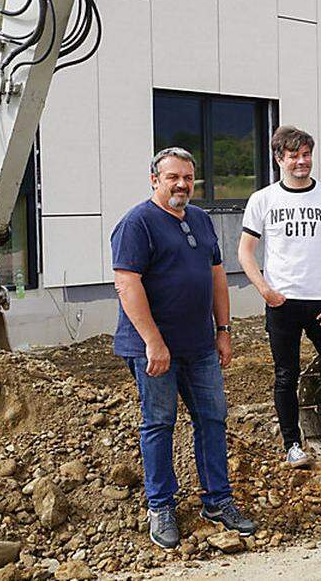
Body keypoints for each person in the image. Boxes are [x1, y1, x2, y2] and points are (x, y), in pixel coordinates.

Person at [111, 147, 256, 550]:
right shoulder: (137, 223)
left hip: (200, 347)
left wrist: (223, 330)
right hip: (154, 351)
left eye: (188, 178)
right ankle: (160, 506)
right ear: (154, 180)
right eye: (173, 177)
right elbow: (128, 285)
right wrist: (154, 343)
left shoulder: (200, 219)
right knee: (159, 424)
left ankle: (218, 501)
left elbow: (216, 277)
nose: (182, 184)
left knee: (212, 419)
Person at [239, 125, 321, 470]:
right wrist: (265, 289)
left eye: (306, 154)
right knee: (287, 375)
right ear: (280, 158)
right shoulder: (263, 200)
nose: (302, 161)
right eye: (294, 155)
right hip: (283, 303)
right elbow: (245, 252)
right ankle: (292, 444)